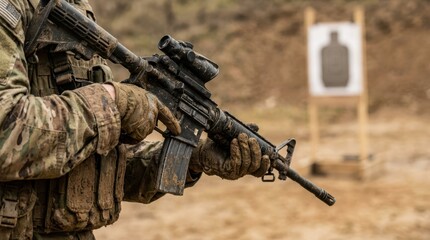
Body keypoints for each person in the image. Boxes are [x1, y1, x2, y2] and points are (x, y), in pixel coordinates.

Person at [0, 0, 270, 239]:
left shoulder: (75, 9)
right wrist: (113, 102)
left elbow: (92, 161)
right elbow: (6, 133)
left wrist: (195, 159)